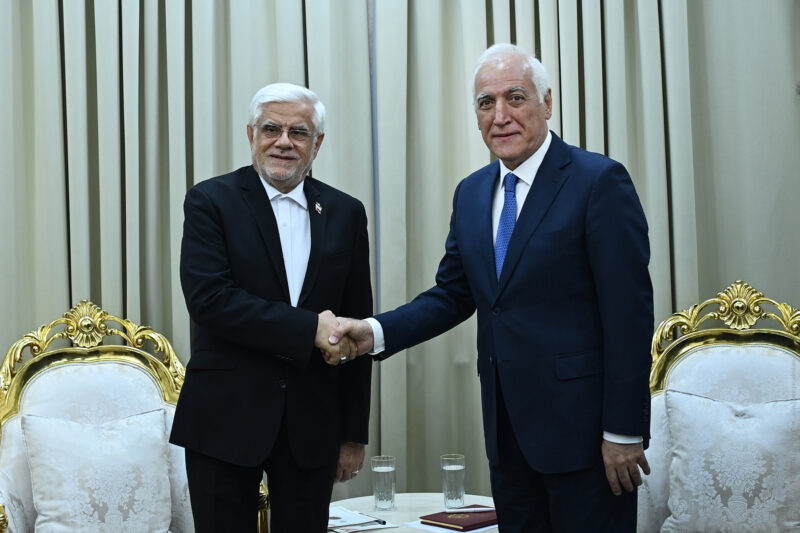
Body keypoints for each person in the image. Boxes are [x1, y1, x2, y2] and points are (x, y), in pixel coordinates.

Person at [329, 44, 653, 532]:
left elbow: (629, 315)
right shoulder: (472, 192)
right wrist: (372, 332)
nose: (500, 116)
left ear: (547, 103)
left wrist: (623, 430)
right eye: (486, 102)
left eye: (515, 98)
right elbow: (452, 295)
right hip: (507, 435)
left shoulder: (598, 181)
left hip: (587, 438)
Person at [170, 82, 373, 533]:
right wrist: (309, 329)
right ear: (251, 134)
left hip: (312, 422)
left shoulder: (345, 212)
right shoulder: (210, 201)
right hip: (224, 420)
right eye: (271, 129)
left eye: (298, 132)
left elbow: (356, 322)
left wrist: (353, 434)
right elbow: (210, 301)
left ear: (317, 143)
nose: (284, 142)